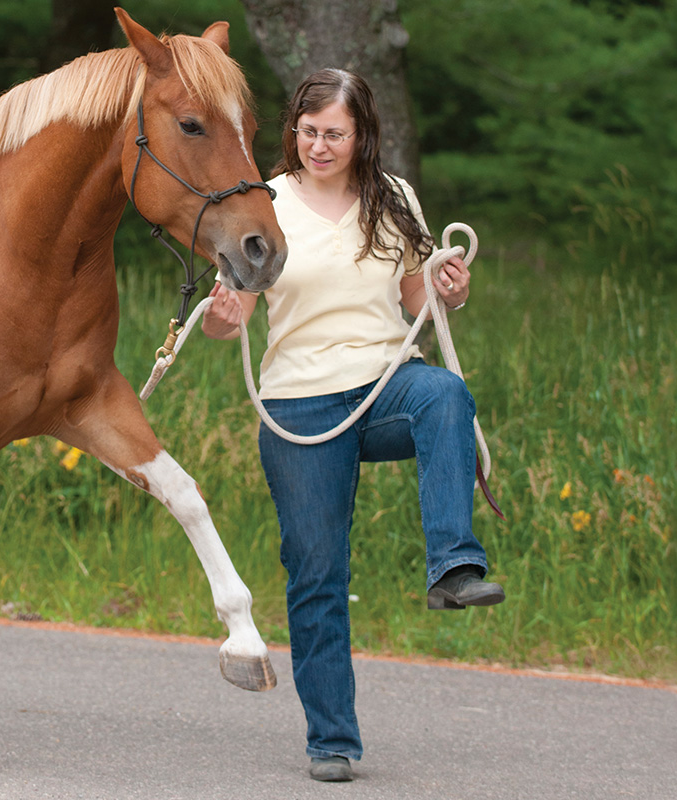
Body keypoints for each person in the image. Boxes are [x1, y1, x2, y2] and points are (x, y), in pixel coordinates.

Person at [201, 69, 505, 783]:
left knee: (445, 398)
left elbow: (414, 296)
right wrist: (220, 320)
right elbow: (235, 316)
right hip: (299, 404)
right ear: (294, 132)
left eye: (334, 133)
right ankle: (331, 740)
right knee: (317, 574)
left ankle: (454, 566)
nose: (320, 145)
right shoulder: (265, 202)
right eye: (309, 132)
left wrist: (447, 290)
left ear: (362, 135)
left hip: (383, 383)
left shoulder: (392, 198)